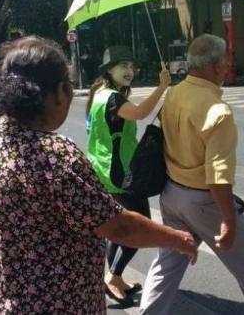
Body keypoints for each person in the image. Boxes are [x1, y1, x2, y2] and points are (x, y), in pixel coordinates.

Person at [0, 36, 198, 314]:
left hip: (1, 299)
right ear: (60, 91)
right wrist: (178, 238)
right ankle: (114, 276)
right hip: (55, 304)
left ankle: (115, 276)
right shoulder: (54, 155)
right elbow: (118, 227)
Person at [139, 34, 244, 315]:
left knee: (167, 264)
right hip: (205, 202)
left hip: (171, 194)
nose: (228, 63)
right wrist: (229, 221)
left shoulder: (173, 93)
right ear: (218, 64)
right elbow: (218, 175)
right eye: (226, 59)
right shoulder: (218, 111)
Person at [85, 45, 171, 305]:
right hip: (121, 174)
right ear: (109, 70)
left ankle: (115, 278)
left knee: (120, 228)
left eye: (131, 66)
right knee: (138, 229)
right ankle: (113, 277)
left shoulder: (98, 94)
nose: (129, 71)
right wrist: (162, 87)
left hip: (103, 170)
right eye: (123, 66)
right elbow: (140, 114)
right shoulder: (112, 98)